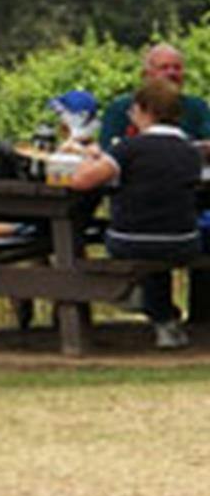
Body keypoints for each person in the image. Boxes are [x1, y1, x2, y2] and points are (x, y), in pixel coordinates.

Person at [71, 77, 204, 349]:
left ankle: (138, 300)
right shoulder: (191, 152)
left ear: (145, 111)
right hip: (184, 241)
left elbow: (81, 182)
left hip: (130, 239)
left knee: (134, 239)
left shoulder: (129, 148)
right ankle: (165, 322)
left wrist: (88, 157)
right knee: (157, 241)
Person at [96, 43, 210, 153]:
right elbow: (108, 149)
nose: (172, 72)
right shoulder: (121, 108)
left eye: (177, 67)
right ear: (146, 74)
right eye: (164, 67)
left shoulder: (197, 107)